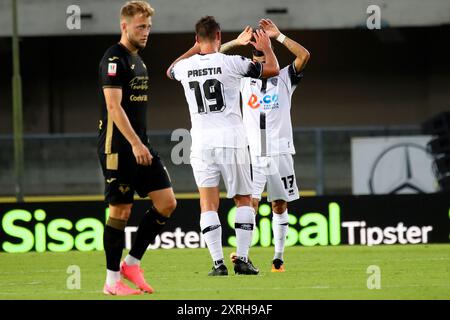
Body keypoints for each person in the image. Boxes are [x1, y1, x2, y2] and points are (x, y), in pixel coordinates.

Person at [166, 16, 279, 276]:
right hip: (232, 140)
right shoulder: (232, 63)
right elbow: (271, 70)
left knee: (208, 205)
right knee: (242, 200)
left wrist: (196, 48)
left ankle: (218, 264)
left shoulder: (186, 67)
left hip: (201, 143)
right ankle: (242, 260)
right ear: (219, 35)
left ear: (197, 39)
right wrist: (267, 48)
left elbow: (170, 69)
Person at [98, 1, 176, 295]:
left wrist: (141, 144)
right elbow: (113, 107)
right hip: (118, 147)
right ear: (124, 26)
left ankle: (131, 264)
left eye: (148, 27)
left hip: (141, 146)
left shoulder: (139, 60)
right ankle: (111, 282)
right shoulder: (113, 58)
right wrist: (134, 143)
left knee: (167, 202)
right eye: (141, 26)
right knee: (121, 211)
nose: (146, 32)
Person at [220, 19, 310, 272]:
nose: (260, 61)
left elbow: (304, 55)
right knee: (250, 203)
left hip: (280, 150)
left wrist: (278, 37)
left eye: (263, 55)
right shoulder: (242, 79)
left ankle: (278, 258)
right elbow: (212, 59)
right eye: (256, 56)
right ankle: (242, 256)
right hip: (253, 153)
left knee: (279, 205)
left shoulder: (284, 78)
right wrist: (235, 42)